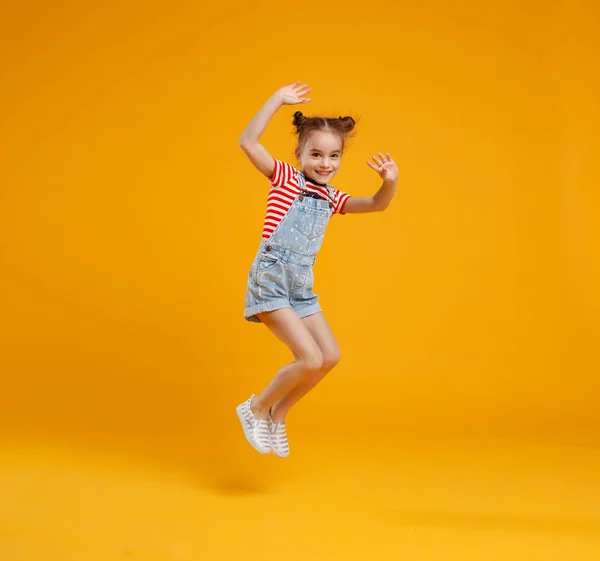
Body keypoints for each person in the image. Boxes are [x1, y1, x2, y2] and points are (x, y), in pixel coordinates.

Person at [236, 81, 399, 457]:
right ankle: (256, 407)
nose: (325, 164)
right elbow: (247, 142)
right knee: (308, 358)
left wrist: (390, 182)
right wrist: (276, 99)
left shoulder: (332, 197)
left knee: (329, 357)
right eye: (316, 155)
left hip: (301, 287)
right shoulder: (285, 179)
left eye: (333, 157)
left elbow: (376, 205)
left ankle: (279, 413)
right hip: (272, 282)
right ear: (299, 154)